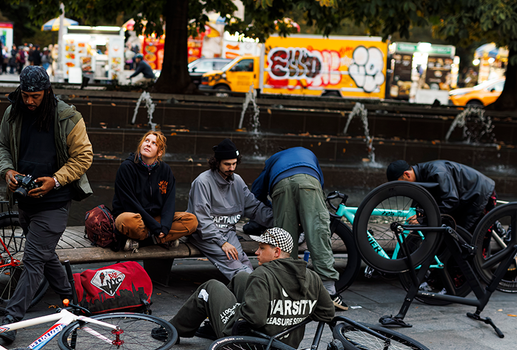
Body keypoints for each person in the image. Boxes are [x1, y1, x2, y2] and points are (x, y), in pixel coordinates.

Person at [0, 66, 94, 344]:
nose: (29, 101)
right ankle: (72, 300)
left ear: (47, 92)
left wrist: (56, 180)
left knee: (33, 261)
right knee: (45, 256)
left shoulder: (68, 117)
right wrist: (7, 171)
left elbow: (84, 157)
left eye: (35, 96)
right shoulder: (13, 112)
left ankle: (11, 321)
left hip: (55, 203)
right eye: (25, 95)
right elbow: (1, 146)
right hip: (25, 201)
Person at [163, 227, 335, 348]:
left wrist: (239, 310)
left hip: (251, 345)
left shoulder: (263, 275)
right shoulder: (312, 276)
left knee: (210, 287)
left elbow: (255, 319)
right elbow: (327, 313)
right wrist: (293, 313)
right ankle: (214, 326)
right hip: (287, 345)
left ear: (276, 252)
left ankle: (172, 331)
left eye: (262, 248)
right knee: (242, 277)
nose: (256, 252)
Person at [250, 146, 346, 311]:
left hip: (280, 185)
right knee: (318, 234)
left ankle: (288, 291)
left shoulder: (272, 160)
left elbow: (256, 193)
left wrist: (273, 209)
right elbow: (320, 185)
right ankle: (329, 292)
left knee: (285, 240)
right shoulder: (308, 153)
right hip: (309, 181)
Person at [187, 139, 273, 280]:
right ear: (217, 162)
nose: (232, 168)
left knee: (243, 260)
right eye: (227, 164)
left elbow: (254, 208)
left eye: (234, 163)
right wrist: (223, 243)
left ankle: (257, 285)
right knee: (232, 262)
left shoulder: (237, 181)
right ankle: (253, 287)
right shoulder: (202, 182)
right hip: (205, 235)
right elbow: (202, 220)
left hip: (228, 232)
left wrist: (279, 221)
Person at [112, 131, 198, 251]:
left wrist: (165, 227)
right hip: (135, 218)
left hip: (156, 219)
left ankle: (147, 239)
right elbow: (129, 203)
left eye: (154, 143)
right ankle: (160, 238)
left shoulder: (165, 170)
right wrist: (155, 227)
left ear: (159, 152)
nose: (148, 144)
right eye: (146, 141)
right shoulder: (127, 167)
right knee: (126, 221)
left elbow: (169, 202)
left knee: (191, 221)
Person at [386, 159, 496, 233]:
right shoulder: (420, 176)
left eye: (401, 184)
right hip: (465, 199)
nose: (403, 188)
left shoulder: (437, 172)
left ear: (407, 174)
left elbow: (451, 200)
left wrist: (423, 219)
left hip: (480, 195)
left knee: (470, 241)